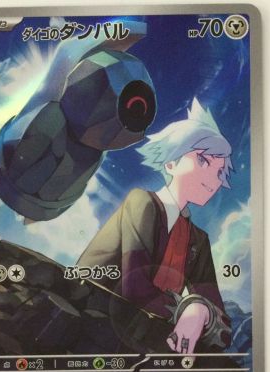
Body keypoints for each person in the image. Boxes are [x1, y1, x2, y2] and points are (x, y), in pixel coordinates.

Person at [77, 98, 232, 353]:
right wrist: (187, 309)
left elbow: (223, 329)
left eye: (219, 172)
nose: (213, 179)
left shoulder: (197, 240)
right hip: (86, 320)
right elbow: (134, 287)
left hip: (136, 336)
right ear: (171, 163)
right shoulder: (142, 203)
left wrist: (201, 311)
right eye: (203, 161)